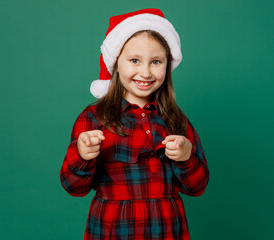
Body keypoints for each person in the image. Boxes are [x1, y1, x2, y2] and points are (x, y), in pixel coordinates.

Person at [60, 8, 209, 240]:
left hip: (166, 228)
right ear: (116, 64)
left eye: (156, 61)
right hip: (114, 228)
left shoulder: (176, 119)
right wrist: (82, 155)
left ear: (167, 65)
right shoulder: (94, 118)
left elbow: (196, 187)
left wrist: (187, 155)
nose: (146, 72)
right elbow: (73, 187)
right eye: (135, 60)